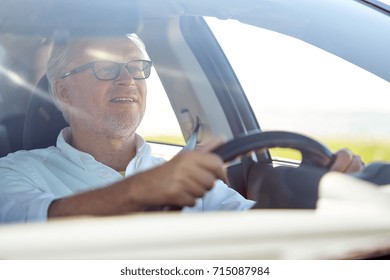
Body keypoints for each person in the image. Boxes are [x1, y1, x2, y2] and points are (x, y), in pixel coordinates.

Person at [0, 35, 363, 224]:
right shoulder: (15, 172)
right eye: (106, 68)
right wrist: (142, 190)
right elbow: (33, 224)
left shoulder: (180, 171)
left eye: (137, 67)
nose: (128, 80)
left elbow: (247, 225)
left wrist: (314, 194)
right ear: (63, 91)